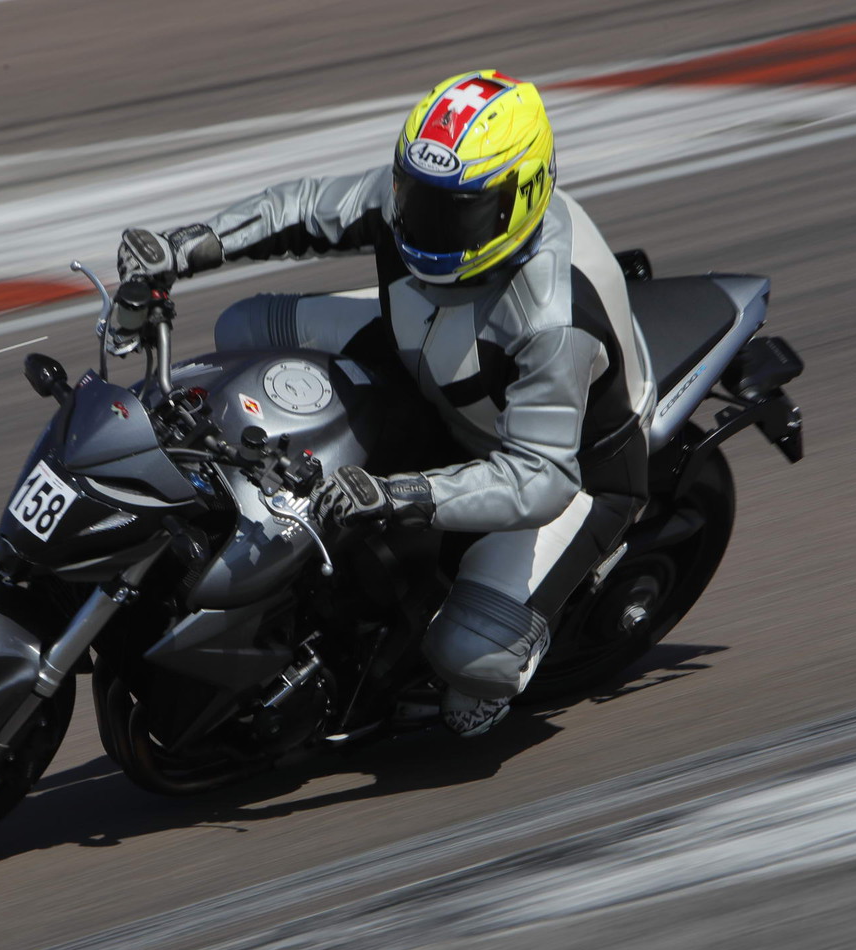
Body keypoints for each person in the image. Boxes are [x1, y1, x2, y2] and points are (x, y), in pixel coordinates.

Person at [116, 70, 654, 736]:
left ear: (521, 197)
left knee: (468, 661)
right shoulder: (422, 199)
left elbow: (540, 477)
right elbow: (300, 208)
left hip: (569, 470)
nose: (424, 225)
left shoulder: (553, 320)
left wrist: (399, 496)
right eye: (416, 197)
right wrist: (181, 246)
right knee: (243, 328)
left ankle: (518, 650)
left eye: (455, 212)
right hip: (435, 359)